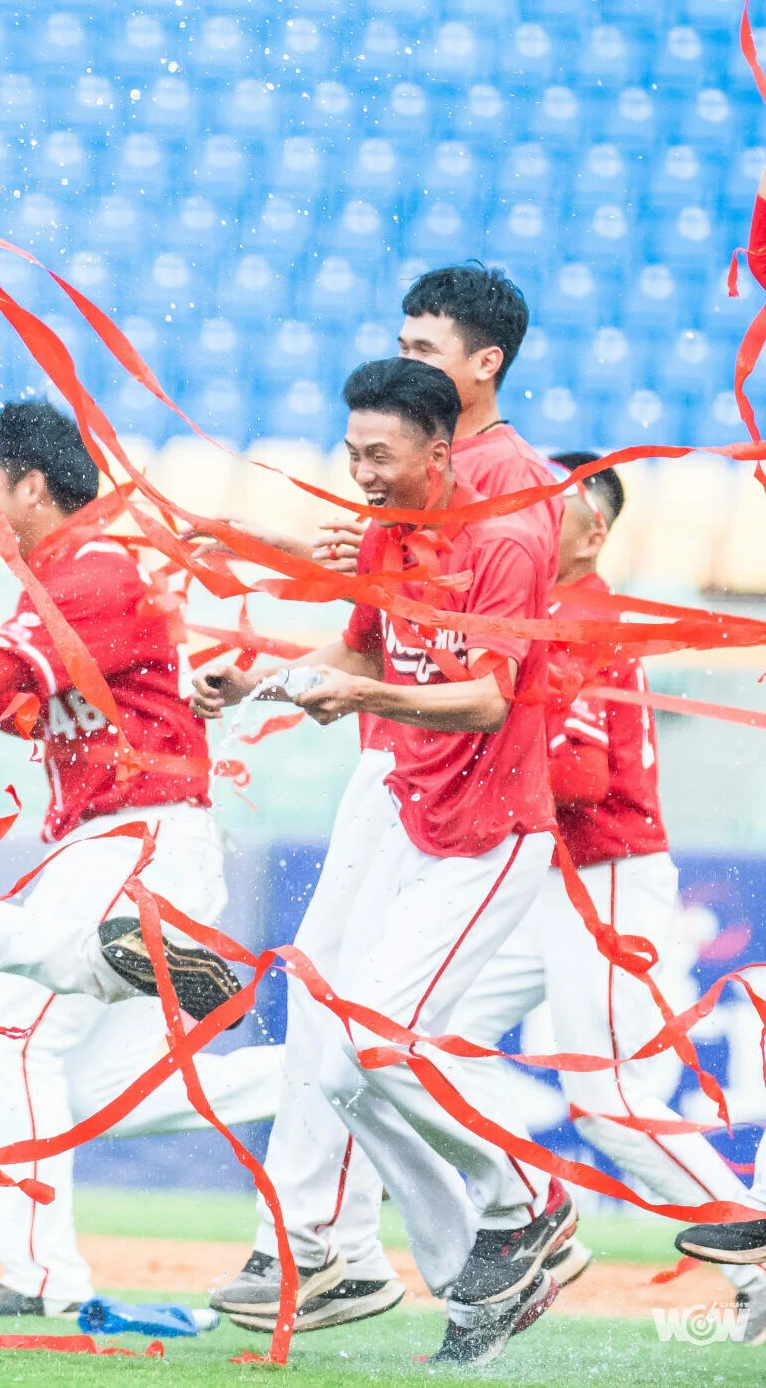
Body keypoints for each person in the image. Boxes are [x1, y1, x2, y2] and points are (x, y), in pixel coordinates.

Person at [208, 262, 564, 1331]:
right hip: (403, 772)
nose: (362, 468)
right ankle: (371, 1253)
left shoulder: (508, 500)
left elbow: (486, 683)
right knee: (338, 1030)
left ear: (476, 375)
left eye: (422, 353)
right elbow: (367, 629)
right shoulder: (397, 501)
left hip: (472, 796)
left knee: (369, 1042)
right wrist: (260, 674)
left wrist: (358, 682)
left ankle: (485, 1214)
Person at [0, 401, 271, 1319]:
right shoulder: (75, 570)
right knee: (114, 1089)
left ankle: (41, 1281)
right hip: (136, 839)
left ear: (31, 484)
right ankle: (336, 1072)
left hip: (137, 838)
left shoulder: (91, 570)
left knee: (12, 1031)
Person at [454, 456, 765, 1341]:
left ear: (595, 529)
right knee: (422, 1044)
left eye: (560, 509)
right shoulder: (543, 613)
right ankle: (527, 1213)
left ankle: (749, 1240)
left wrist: (470, 754)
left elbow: (582, 774)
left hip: (604, 874)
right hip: (552, 875)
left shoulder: (583, 622)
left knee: (609, 1100)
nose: (539, 524)